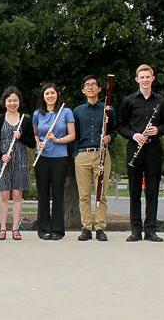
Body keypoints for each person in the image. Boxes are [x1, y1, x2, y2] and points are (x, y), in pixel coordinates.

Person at [118, 65, 164, 242]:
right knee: (134, 191)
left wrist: (158, 130)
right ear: (137, 79)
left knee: (152, 190)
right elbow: (120, 125)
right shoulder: (129, 101)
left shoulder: (160, 101)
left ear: (152, 79)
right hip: (135, 147)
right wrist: (134, 135)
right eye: (142, 77)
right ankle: (135, 229)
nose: (145, 80)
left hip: (153, 148)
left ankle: (150, 230)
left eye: (148, 77)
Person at [72, 76, 117, 242]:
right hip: (82, 155)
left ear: (99, 89)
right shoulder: (77, 111)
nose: (90, 88)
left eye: (93, 85)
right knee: (84, 194)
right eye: (87, 85)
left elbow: (114, 131)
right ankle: (86, 228)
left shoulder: (108, 110)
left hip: (102, 153)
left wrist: (109, 138)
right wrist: (76, 153)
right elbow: (74, 134)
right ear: (83, 90)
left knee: (101, 194)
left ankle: (100, 228)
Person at [0, 86, 35, 240]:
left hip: (20, 160)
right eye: (10, 100)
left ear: (19, 102)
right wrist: (1, 155)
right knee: (4, 194)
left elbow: (32, 144)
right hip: (4, 160)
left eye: (15, 100)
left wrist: (21, 136)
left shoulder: (25, 120)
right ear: (5, 102)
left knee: (17, 194)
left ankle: (15, 228)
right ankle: (2, 228)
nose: (12, 103)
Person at [33, 83, 75, 240]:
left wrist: (57, 139)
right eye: (46, 93)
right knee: (43, 194)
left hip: (59, 157)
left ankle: (58, 229)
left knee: (58, 193)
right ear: (43, 96)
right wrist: (38, 143)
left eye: (52, 93)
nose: (49, 96)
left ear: (57, 94)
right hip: (42, 157)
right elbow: (36, 134)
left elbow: (72, 135)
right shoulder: (38, 113)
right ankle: (43, 228)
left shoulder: (66, 112)